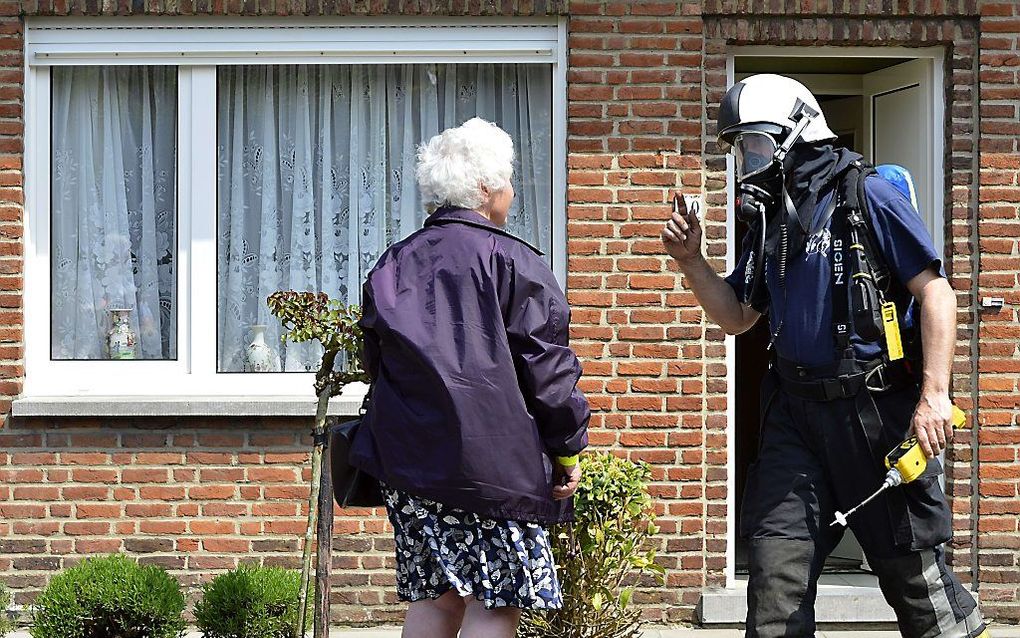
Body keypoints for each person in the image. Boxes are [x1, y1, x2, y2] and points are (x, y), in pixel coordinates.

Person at [661, 74, 989, 638]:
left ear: (796, 132)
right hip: (794, 418)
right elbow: (739, 316)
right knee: (774, 586)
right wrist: (692, 263)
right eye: (741, 147)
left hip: (874, 415)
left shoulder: (868, 195)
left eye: (756, 143)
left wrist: (935, 394)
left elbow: (937, 292)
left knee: (917, 585)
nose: (748, 159)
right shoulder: (765, 218)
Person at [350, 117, 590, 638]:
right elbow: (547, 370)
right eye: (507, 180)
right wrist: (567, 448)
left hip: (412, 464)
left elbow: (377, 362)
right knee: (496, 604)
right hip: (494, 468)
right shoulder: (514, 262)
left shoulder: (393, 264)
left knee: (435, 601)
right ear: (484, 190)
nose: (512, 191)